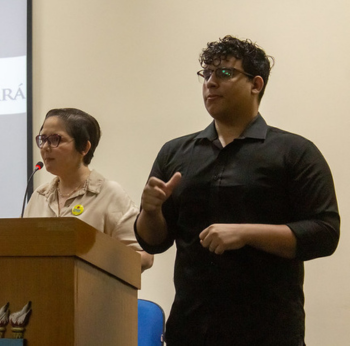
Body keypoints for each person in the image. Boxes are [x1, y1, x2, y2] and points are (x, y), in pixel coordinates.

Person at [135, 36, 340, 345]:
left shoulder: (294, 151)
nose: (210, 83)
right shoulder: (175, 152)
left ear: (256, 84)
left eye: (224, 73)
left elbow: (325, 233)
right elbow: (154, 242)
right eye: (206, 74)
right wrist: (149, 211)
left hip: (269, 331)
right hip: (190, 329)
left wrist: (246, 233)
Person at [24, 108, 154, 271]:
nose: (45, 147)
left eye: (55, 139)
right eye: (43, 139)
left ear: (84, 147)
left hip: (94, 293)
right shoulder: (39, 196)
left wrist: (93, 260)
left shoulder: (109, 194)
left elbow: (144, 257)